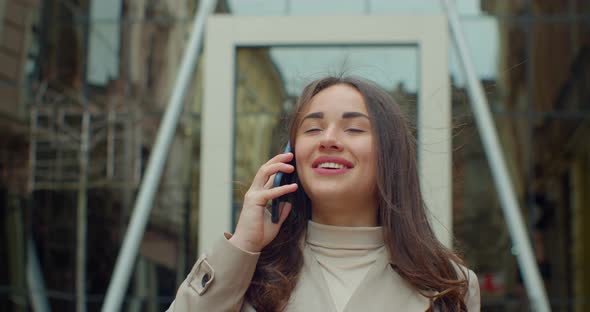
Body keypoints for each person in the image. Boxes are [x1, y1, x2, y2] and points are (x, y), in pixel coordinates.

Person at [167, 76, 480, 312]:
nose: (328, 139)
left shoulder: (448, 285)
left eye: (354, 129)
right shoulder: (246, 273)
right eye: (312, 129)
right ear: (290, 156)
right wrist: (242, 245)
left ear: (391, 155)